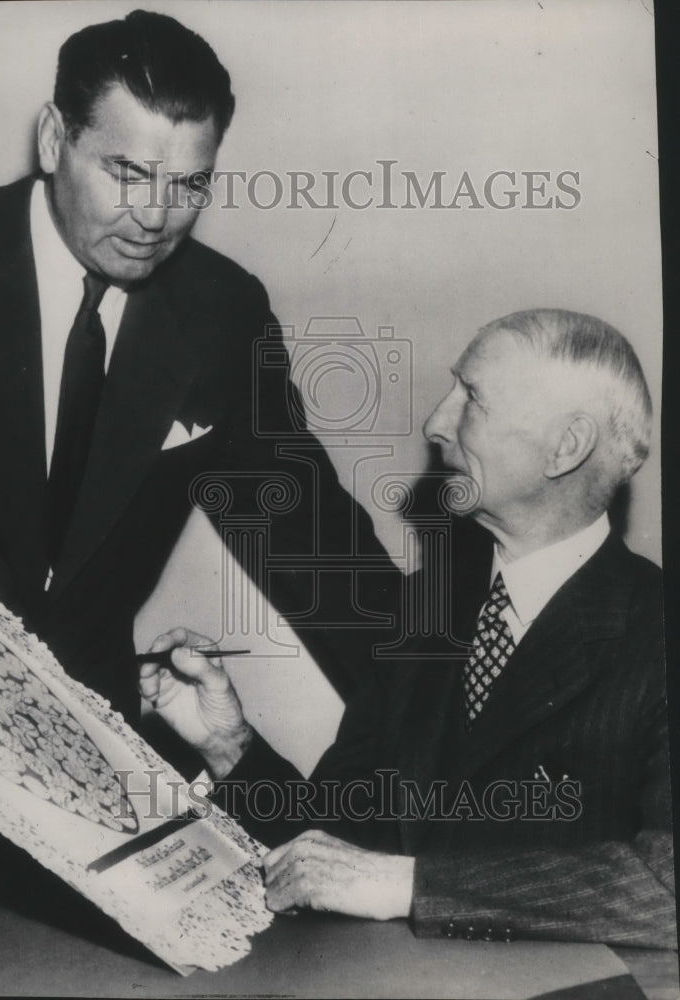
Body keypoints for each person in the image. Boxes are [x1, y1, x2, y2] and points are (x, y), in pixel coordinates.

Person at [0, 10, 399, 907]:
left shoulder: (222, 314)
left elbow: (320, 547)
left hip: (86, 794)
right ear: (55, 137)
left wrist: (462, 698)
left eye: (187, 184)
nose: (154, 217)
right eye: (127, 172)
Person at [142, 309, 675, 949]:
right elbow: (336, 846)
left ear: (566, 447)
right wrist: (228, 745)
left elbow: (665, 893)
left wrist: (409, 885)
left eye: (471, 398)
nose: (435, 424)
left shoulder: (656, 631)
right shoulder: (431, 607)